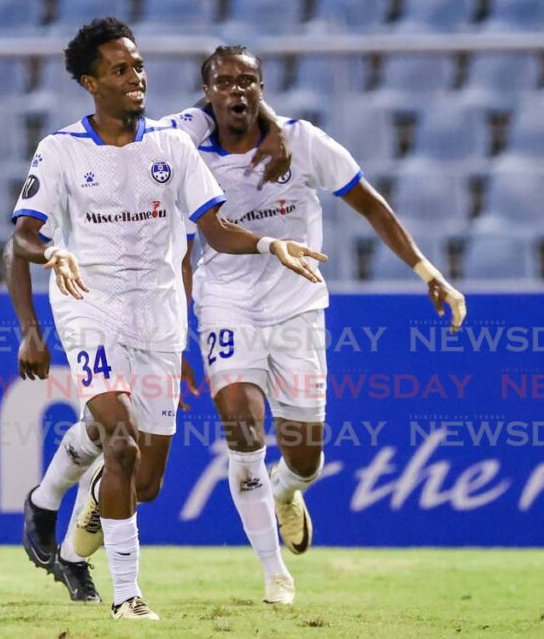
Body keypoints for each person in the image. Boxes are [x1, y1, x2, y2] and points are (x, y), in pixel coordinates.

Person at [8, 18, 324, 621]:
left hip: (159, 315)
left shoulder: (173, 147)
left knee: (143, 479)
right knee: (120, 441)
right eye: (121, 69)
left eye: (140, 66)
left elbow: (212, 229)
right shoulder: (61, 150)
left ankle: (54, 508)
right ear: (89, 82)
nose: (136, 78)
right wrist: (50, 257)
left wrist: (266, 245)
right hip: (88, 305)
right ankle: (128, 596)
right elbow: (20, 240)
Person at [184, 45, 467, 604]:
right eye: (225, 82)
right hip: (224, 303)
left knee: (305, 453)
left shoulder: (303, 141)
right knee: (242, 425)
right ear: (208, 91)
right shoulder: (187, 148)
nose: (237, 91)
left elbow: (370, 203)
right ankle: (274, 575)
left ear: (263, 88)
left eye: (248, 81)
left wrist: (427, 270)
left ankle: (288, 491)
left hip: (297, 308)